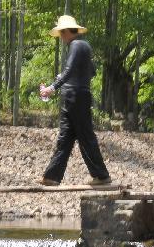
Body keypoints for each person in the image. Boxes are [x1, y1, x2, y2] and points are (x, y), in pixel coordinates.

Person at [39, 15, 111, 186]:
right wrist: (68, 79)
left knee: (85, 136)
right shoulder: (83, 46)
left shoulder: (76, 45)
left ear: (65, 32)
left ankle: (101, 176)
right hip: (75, 96)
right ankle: (52, 176)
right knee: (65, 137)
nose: (61, 38)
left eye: (61, 33)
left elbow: (70, 69)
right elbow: (90, 72)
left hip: (74, 97)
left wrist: (52, 87)